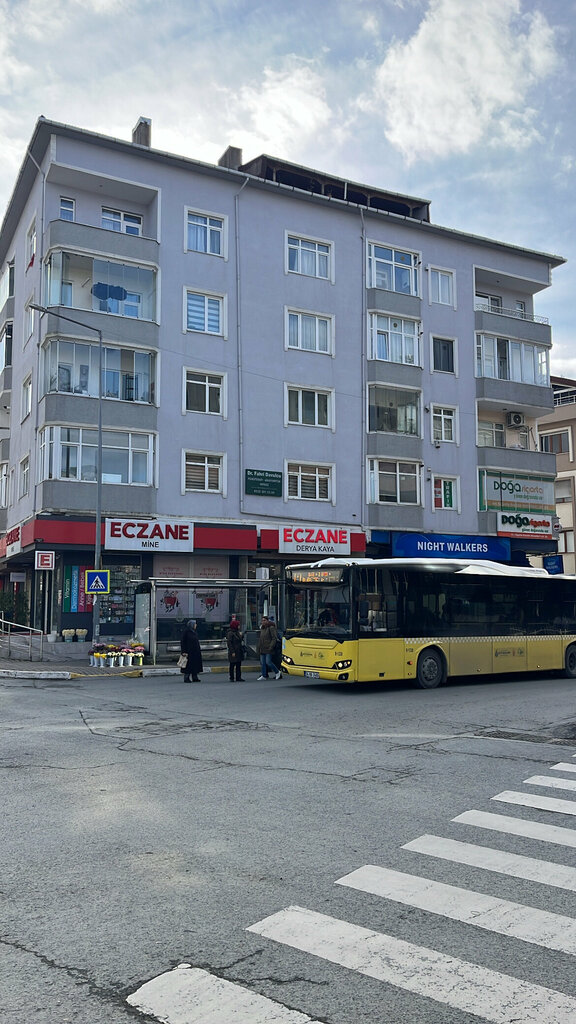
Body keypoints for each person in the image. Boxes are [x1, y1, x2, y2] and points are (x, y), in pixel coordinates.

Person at [256, 614, 282, 680]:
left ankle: (277, 672)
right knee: (263, 663)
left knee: (268, 662)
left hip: (268, 648)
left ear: (267, 621)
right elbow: (261, 639)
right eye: (262, 620)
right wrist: (258, 647)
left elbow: (274, 638)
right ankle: (264, 675)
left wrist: (271, 646)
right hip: (262, 648)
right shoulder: (262, 628)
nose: (263, 622)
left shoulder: (271, 628)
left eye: (264, 620)